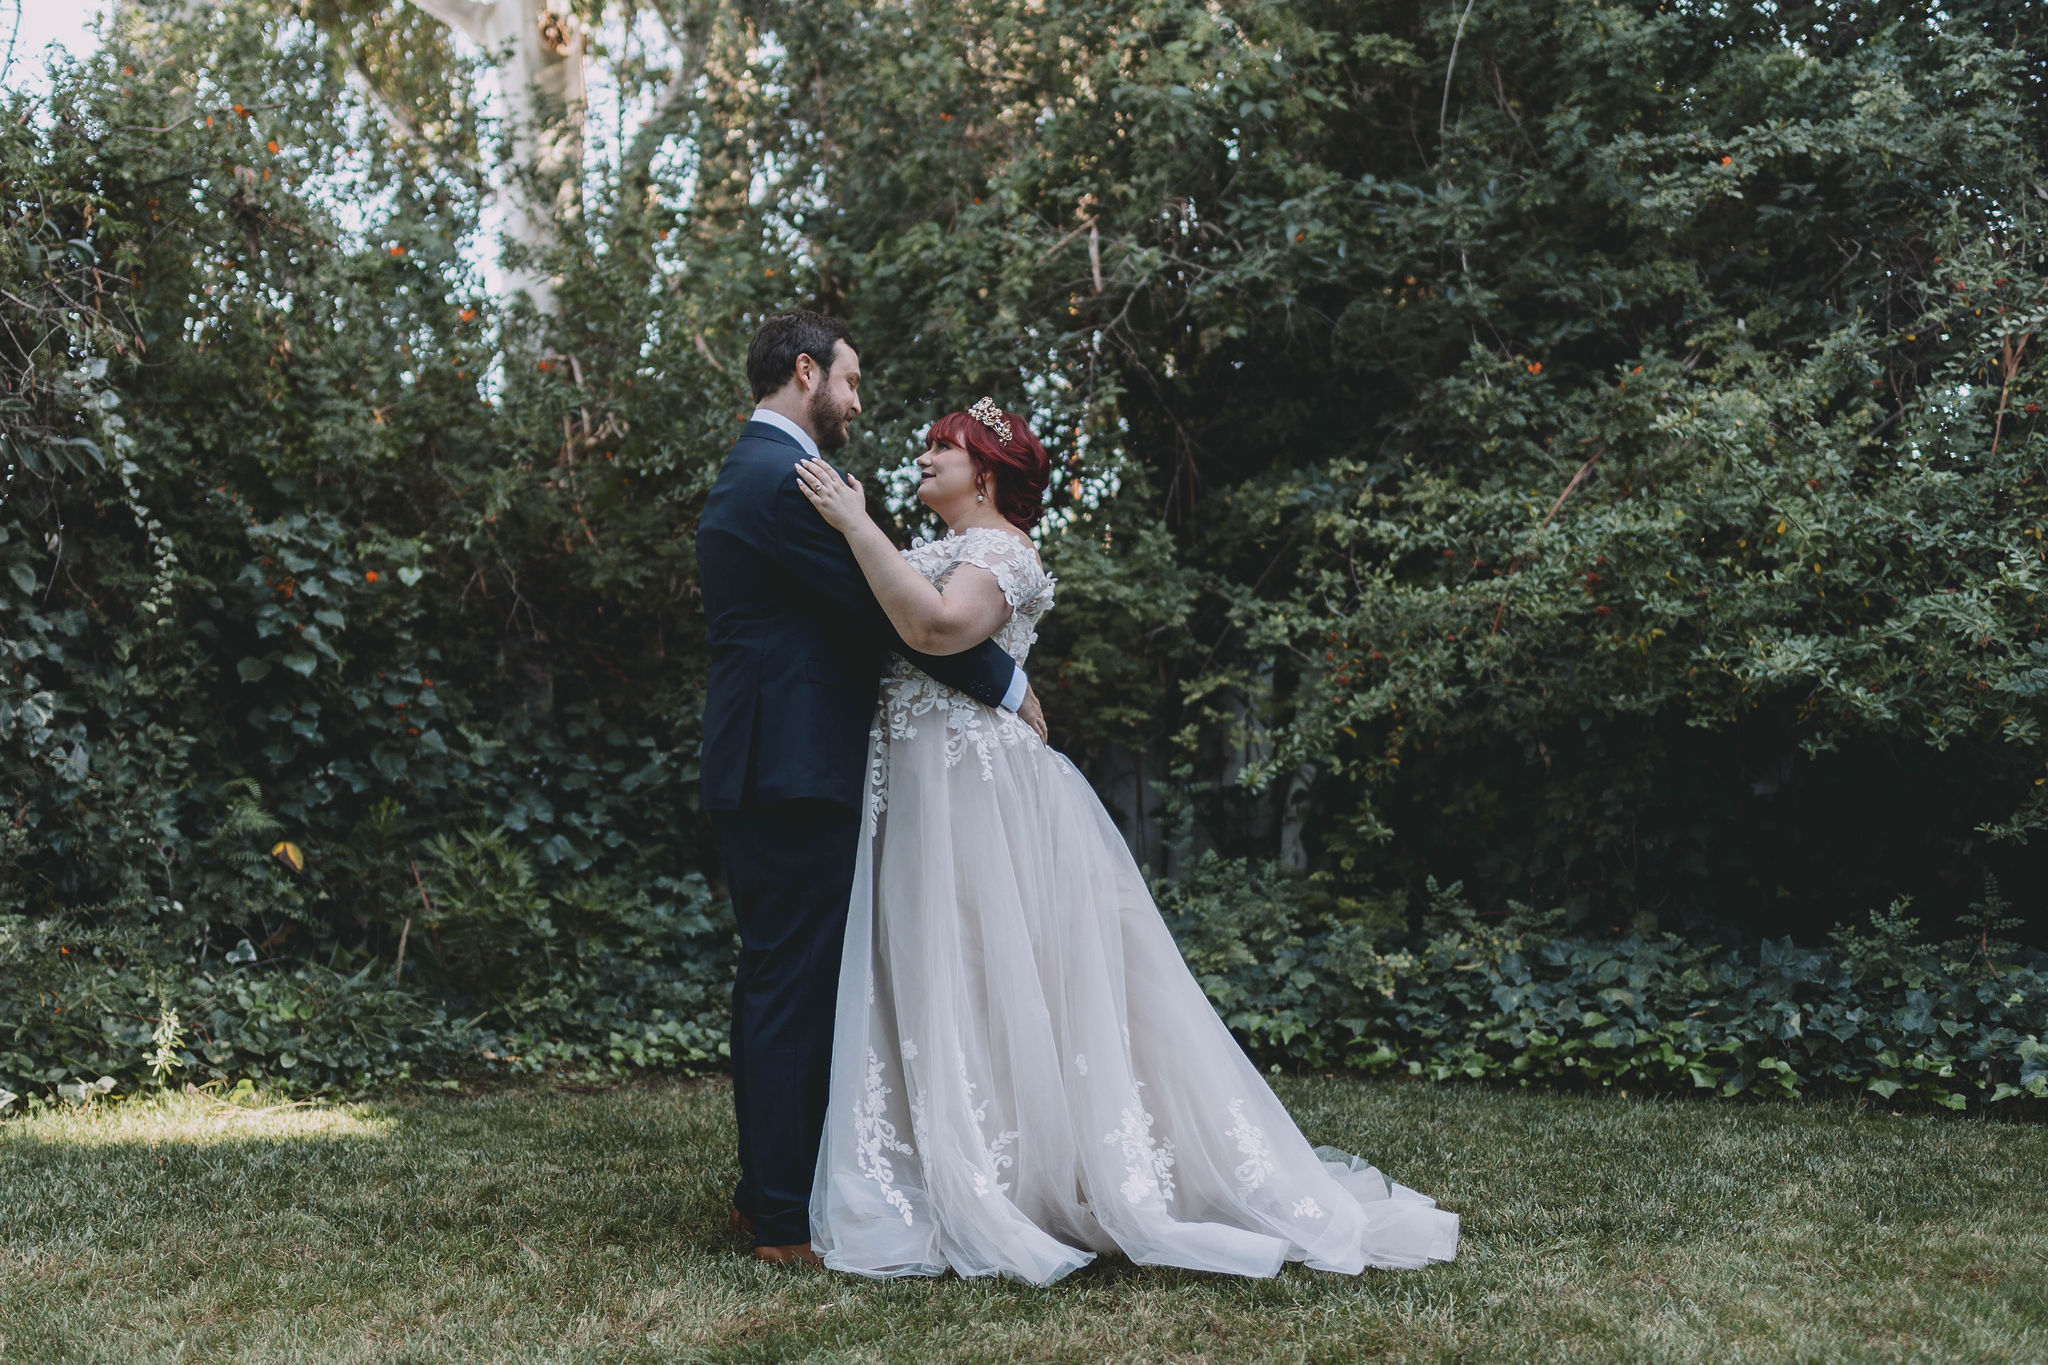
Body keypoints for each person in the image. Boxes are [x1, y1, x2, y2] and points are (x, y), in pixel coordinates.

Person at [795, 399, 1460, 1283]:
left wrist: (857, 522)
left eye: (940, 448)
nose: (922, 457)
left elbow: (939, 627)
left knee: (999, 967)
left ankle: (1024, 1172)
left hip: (978, 791)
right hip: (919, 785)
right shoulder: (926, 550)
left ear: (985, 471)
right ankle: (949, 1154)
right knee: (938, 966)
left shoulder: (1003, 552)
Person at [695, 313, 1046, 1264]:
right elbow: (891, 613)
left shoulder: (760, 471)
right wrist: (1007, 685)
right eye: (849, 381)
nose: (856, 400)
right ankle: (776, 1221)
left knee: (782, 980)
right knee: (793, 986)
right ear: (805, 373)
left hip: (770, 761)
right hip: (792, 766)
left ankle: (761, 1191)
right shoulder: (786, 479)